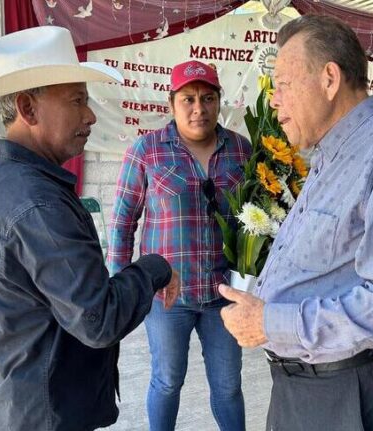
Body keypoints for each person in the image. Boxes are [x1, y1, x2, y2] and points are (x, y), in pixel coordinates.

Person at [216, 15, 373, 431]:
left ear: (329, 79)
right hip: (305, 383)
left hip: (344, 388)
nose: (274, 100)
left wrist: (270, 322)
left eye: (282, 84)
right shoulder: (328, 154)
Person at [0, 26, 179, 431]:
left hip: (20, 404)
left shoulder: (2, 183)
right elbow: (98, 320)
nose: (90, 114)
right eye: (77, 100)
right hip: (48, 413)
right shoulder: (37, 204)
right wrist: (154, 267)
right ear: (28, 109)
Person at [107, 60, 251, 430]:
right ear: (172, 104)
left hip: (225, 295)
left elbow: (257, 221)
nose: (198, 108)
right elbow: (123, 223)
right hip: (166, 299)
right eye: (188, 98)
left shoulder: (241, 151)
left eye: (207, 98)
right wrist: (121, 288)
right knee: (168, 381)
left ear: (220, 102)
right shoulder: (147, 151)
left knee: (228, 386)